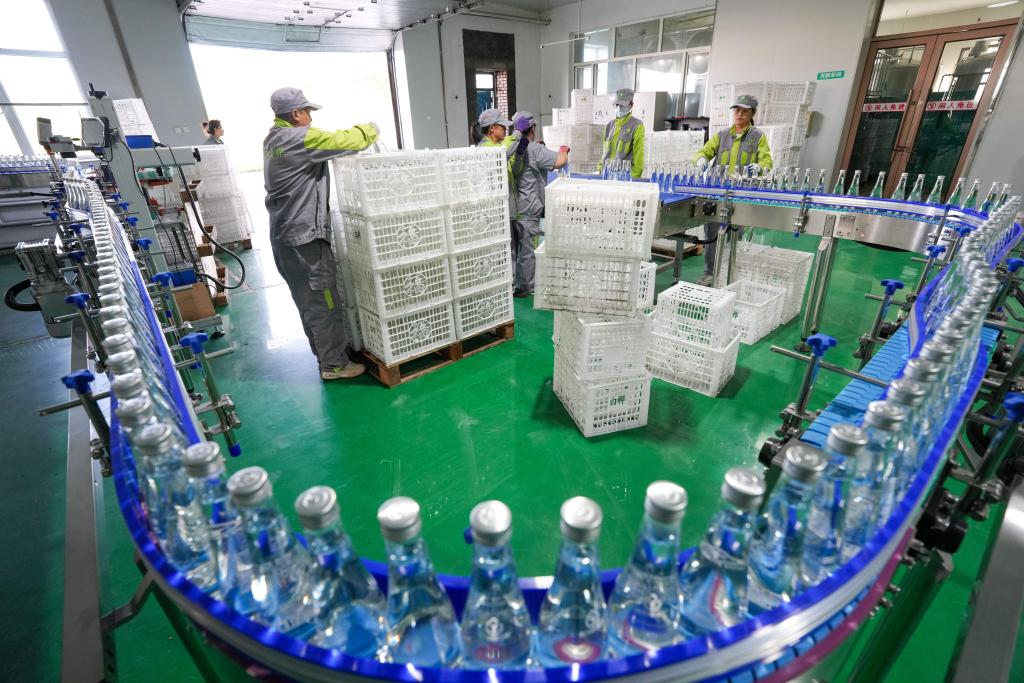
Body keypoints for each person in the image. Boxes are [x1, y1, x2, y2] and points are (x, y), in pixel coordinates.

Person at [263, 87, 379, 381]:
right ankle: (335, 365)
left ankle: (325, 356)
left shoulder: (272, 140)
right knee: (324, 302)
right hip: (305, 239)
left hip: (283, 236)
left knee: (306, 301)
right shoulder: (301, 139)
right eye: (308, 112)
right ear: (296, 114)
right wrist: (370, 129)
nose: (311, 118)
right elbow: (346, 140)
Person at [691, 94, 773, 286]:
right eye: (737, 110)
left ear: (752, 113)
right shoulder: (722, 135)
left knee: (736, 235)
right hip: (718, 194)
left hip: (741, 195)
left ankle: (729, 274)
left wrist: (760, 168)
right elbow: (703, 152)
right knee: (712, 234)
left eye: (745, 111)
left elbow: (767, 161)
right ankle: (709, 273)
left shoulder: (758, 137)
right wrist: (701, 159)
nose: (740, 114)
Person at [509, 111, 568, 297]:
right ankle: (527, 287)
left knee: (515, 249)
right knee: (528, 249)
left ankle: (515, 284)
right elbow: (560, 162)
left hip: (514, 206)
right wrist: (564, 150)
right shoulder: (535, 149)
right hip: (530, 206)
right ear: (532, 128)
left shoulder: (510, 148)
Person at [600, 88, 645, 180]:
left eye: (622, 105)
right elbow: (604, 153)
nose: (619, 107)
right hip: (607, 175)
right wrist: (600, 171)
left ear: (631, 105)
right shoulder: (609, 125)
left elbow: (638, 156)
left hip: (624, 178)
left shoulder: (637, 125)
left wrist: (633, 179)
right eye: (617, 105)